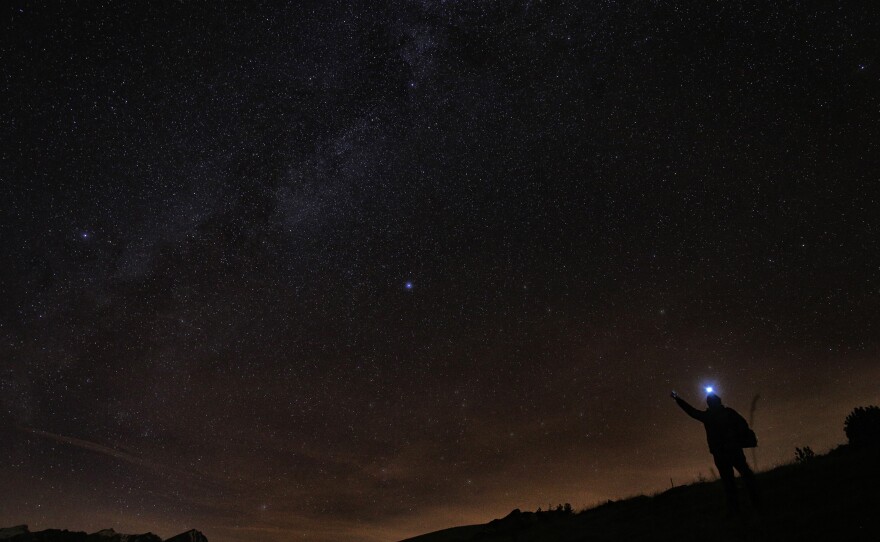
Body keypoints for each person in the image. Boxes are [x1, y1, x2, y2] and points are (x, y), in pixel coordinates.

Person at [671, 390, 760, 513]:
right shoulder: (729, 413)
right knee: (746, 475)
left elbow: (691, 411)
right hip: (734, 449)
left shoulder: (708, 417)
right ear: (719, 402)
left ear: (709, 404)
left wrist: (677, 399)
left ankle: (735, 510)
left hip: (720, 454)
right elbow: (743, 424)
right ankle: (756, 502)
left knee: (729, 482)